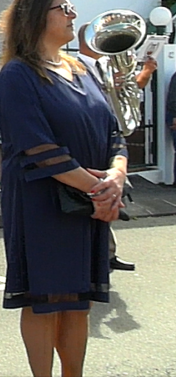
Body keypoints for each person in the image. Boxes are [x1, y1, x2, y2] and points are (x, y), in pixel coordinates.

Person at [0, 0, 127, 377]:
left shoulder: (82, 69)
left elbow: (113, 133)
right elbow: (37, 147)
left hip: (88, 203)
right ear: (36, 17)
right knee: (45, 300)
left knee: (77, 301)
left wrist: (116, 177)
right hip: (42, 204)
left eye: (70, 7)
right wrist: (100, 188)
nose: (73, 15)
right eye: (62, 8)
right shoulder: (18, 76)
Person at [77, 22, 157, 272]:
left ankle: (106, 254)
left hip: (110, 140)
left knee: (109, 195)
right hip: (92, 141)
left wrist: (144, 73)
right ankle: (98, 256)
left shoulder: (106, 68)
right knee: (97, 199)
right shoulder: (77, 68)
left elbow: (132, 90)